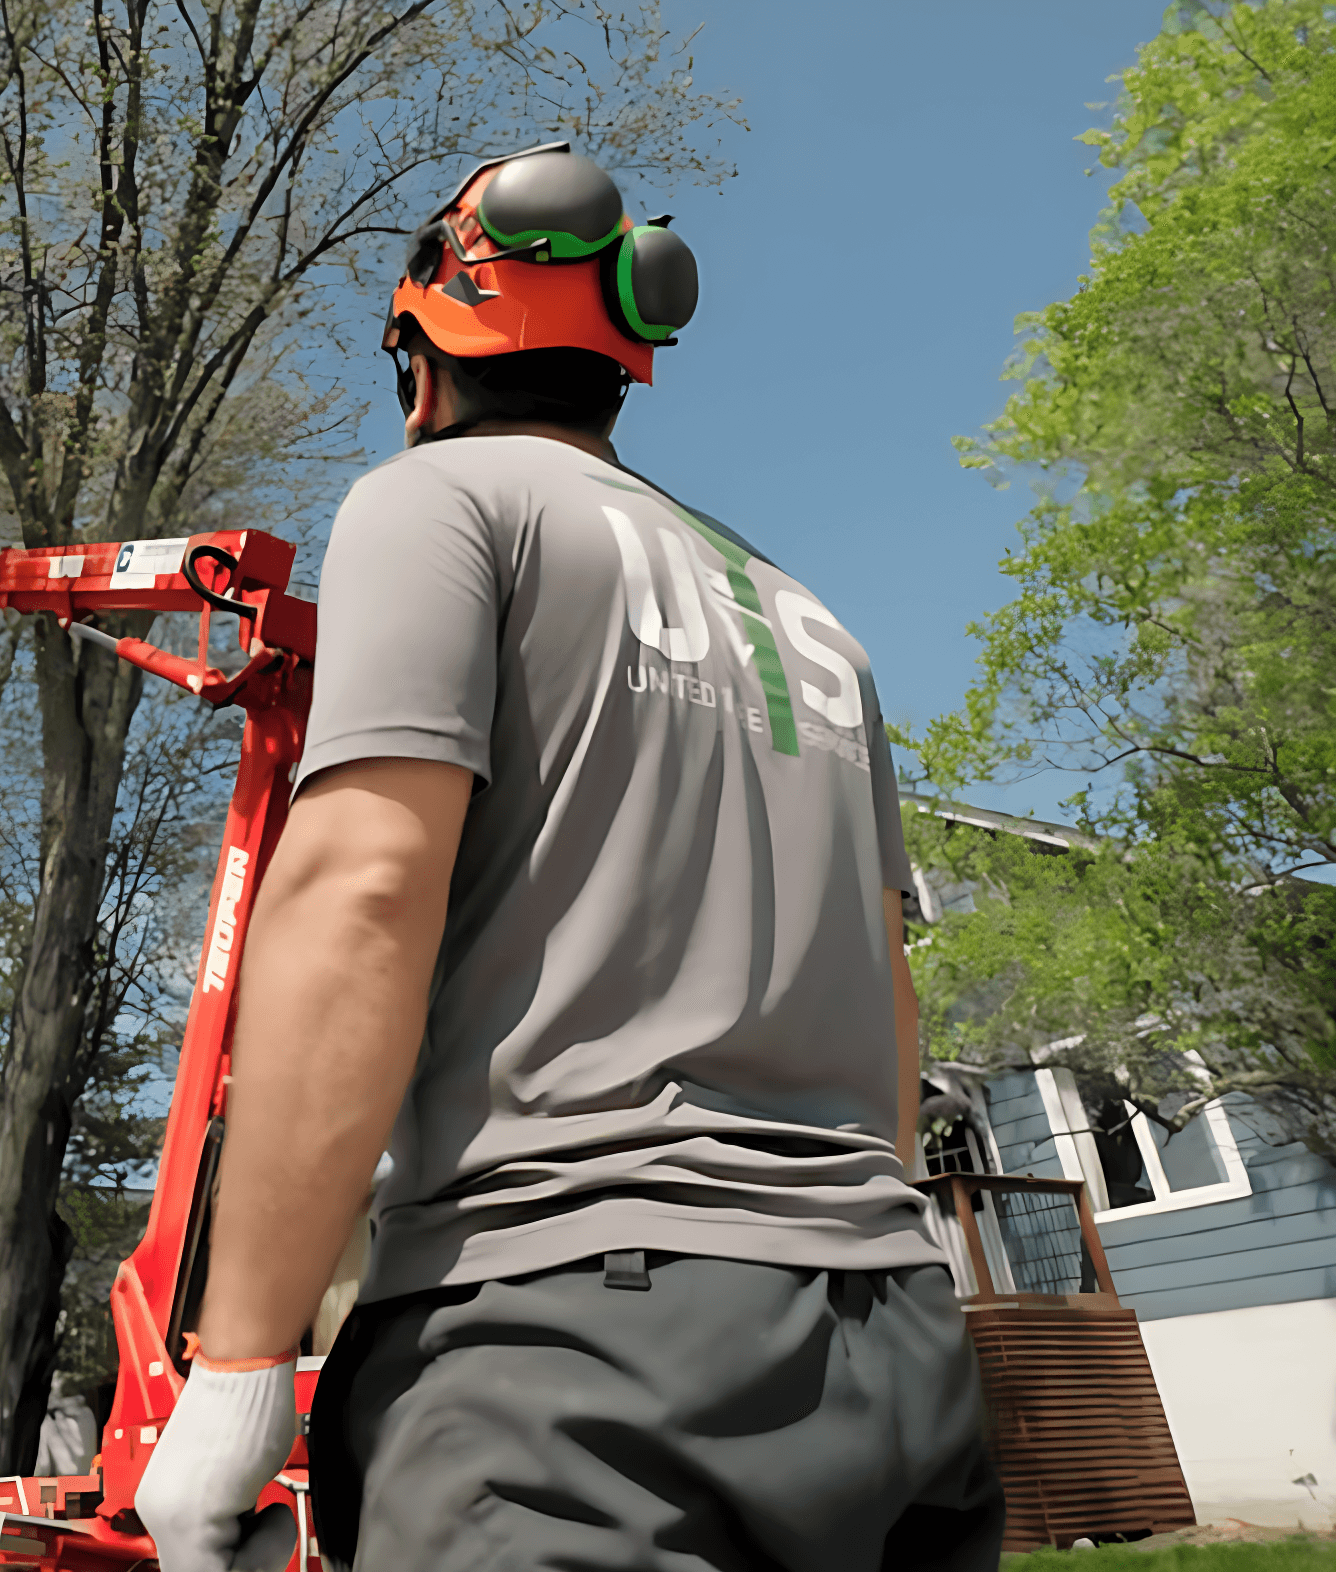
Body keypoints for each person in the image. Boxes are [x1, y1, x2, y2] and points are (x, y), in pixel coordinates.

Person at [135, 142, 1005, 1572]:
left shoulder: (440, 503)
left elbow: (358, 896)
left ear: (420, 362)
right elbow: (888, 999)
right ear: (627, 360)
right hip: (895, 1354)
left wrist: (234, 1378)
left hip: (572, 1361)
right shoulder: (811, 622)